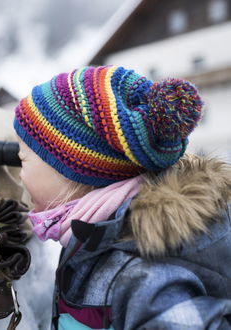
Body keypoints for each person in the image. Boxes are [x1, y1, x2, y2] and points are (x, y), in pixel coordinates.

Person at [13, 66, 231, 329]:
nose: (19, 174)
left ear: (73, 170)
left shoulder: (140, 274)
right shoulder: (91, 236)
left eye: (23, 159)